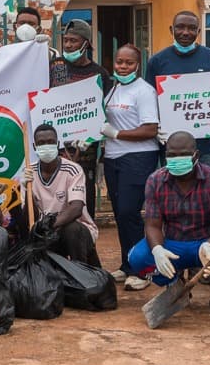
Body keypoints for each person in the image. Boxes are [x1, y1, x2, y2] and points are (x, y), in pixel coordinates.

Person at [127, 132, 210, 317]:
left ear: (196, 155)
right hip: (173, 244)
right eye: (171, 155)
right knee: (137, 257)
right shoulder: (155, 180)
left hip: (207, 244)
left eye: (182, 154)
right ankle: (175, 287)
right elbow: (152, 225)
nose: (176, 159)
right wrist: (158, 249)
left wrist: (209, 244)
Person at [99, 44, 160, 289]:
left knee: (129, 212)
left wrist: (116, 134)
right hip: (113, 158)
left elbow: (150, 129)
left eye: (129, 63)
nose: (123, 67)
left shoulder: (144, 91)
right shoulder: (113, 89)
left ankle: (142, 270)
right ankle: (127, 264)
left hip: (137, 157)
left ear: (138, 65)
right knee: (120, 215)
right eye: (119, 62)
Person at [145, 11, 210, 166]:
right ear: (171, 30)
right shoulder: (157, 61)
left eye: (192, 28)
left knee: (204, 187)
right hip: (171, 144)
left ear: (198, 31)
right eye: (180, 27)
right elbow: (150, 99)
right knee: (172, 187)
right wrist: (156, 127)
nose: (185, 32)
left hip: (203, 143)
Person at [50, 19, 110, 218]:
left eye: (73, 41)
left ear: (86, 44)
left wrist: (93, 135)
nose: (67, 45)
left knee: (85, 203)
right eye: (65, 40)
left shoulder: (99, 74)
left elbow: (104, 110)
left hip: (86, 152)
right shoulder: (54, 67)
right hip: (55, 149)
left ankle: (87, 245)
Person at [23, 124, 101, 264]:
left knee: (71, 230)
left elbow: (76, 208)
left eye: (50, 142)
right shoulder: (29, 173)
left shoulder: (72, 170)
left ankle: (81, 275)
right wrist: (26, 189)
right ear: (35, 147)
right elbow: (29, 216)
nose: (46, 146)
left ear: (57, 144)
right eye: (41, 143)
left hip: (75, 230)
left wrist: (48, 226)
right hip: (44, 234)